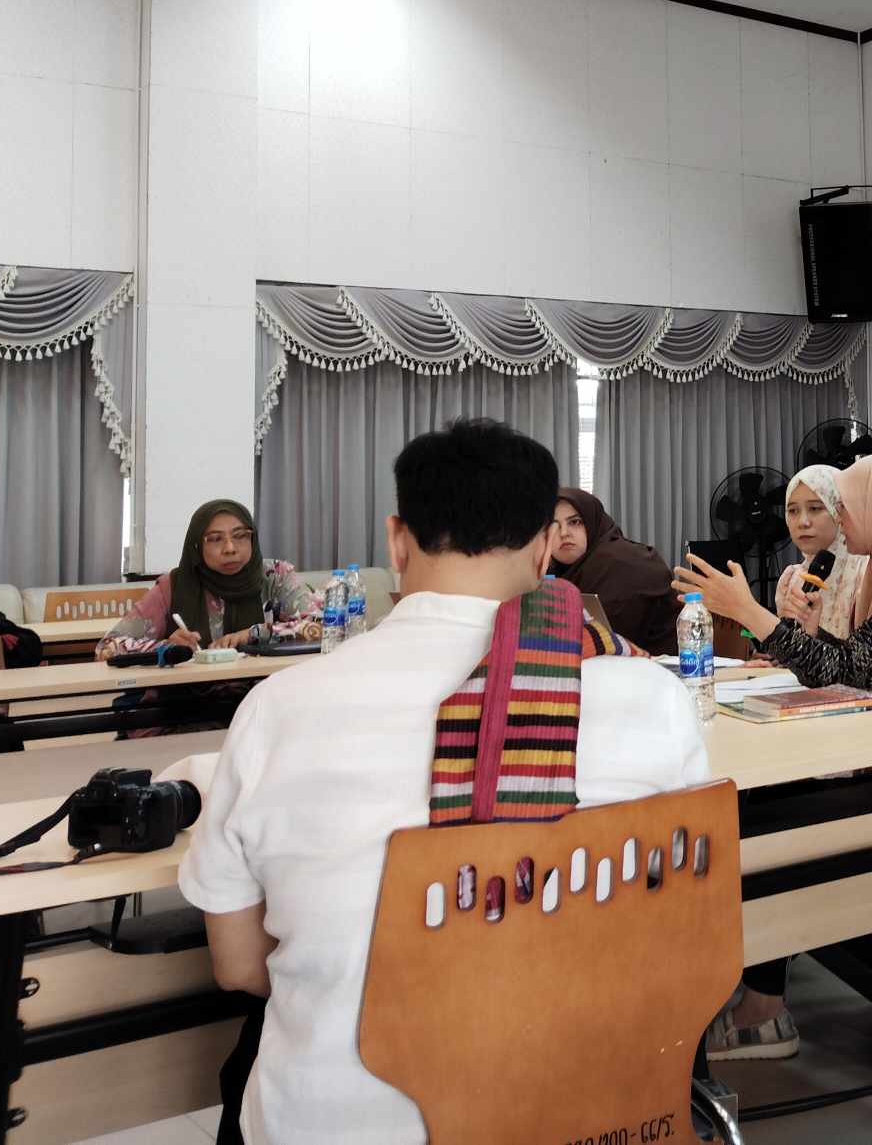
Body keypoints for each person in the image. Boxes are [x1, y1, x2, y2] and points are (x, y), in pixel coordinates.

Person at [178, 418, 710, 1145]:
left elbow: (240, 966)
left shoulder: (279, 708)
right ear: (546, 548)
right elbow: (677, 920)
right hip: (594, 1110)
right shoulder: (651, 697)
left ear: (397, 541)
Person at [674, 451, 872, 1061]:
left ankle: (765, 1010)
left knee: (777, 812)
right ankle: (768, 984)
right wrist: (799, 629)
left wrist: (750, 613)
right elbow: (863, 665)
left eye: (844, 508)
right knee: (774, 801)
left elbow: (854, 667)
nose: (839, 521)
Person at [95, 499, 320, 658]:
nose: (230, 548)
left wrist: (253, 634)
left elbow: (321, 628)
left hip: (263, 696)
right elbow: (107, 647)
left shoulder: (275, 576)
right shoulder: (173, 586)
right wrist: (167, 647)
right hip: (185, 703)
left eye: (240, 536)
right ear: (196, 546)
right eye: (214, 539)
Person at [549, 487, 679, 654]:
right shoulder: (556, 571)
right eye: (553, 526)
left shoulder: (623, 563)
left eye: (575, 522)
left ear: (592, 522)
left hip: (666, 666)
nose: (564, 533)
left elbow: (601, 642)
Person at [771, 463, 864, 639]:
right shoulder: (791, 579)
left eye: (814, 508)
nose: (803, 522)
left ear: (840, 510)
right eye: (793, 511)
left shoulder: (866, 573)